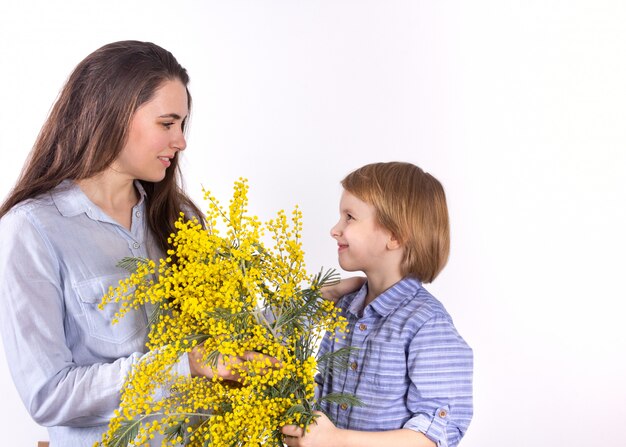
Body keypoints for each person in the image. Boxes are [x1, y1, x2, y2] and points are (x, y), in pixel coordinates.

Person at [0, 40, 278, 446]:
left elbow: (225, 337)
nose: (180, 141)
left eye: (182, 125)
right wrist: (184, 366)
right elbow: (48, 395)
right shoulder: (33, 230)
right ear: (110, 116)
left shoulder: (179, 220)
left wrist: (305, 304)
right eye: (166, 124)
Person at [282, 162, 473, 447]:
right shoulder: (344, 309)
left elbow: (434, 435)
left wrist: (335, 441)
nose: (335, 229)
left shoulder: (427, 324)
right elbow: (321, 387)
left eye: (349, 217)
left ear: (394, 235)